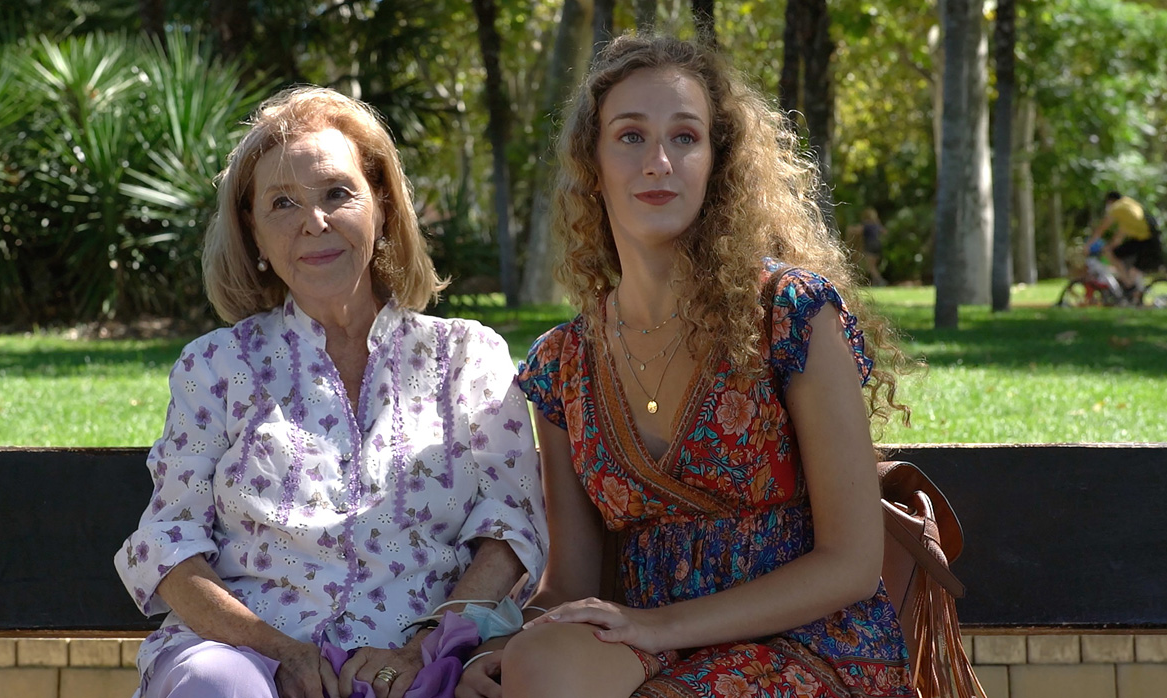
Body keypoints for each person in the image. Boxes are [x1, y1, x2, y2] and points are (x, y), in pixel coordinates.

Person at [457, 35, 914, 698]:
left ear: (715, 163)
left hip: (807, 639)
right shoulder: (563, 365)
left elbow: (851, 564)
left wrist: (661, 625)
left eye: (685, 137)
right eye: (631, 136)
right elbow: (571, 586)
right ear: (592, 164)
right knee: (543, 664)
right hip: (644, 642)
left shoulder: (788, 313)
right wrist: (496, 651)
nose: (659, 162)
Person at [114, 86, 547, 698]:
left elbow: (509, 528)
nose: (313, 222)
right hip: (248, 657)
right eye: (282, 203)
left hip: (425, 663)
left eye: (337, 193)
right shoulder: (214, 366)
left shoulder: (467, 357)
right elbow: (169, 546)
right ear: (254, 232)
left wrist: (421, 652)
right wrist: (281, 653)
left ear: (382, 208)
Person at [1085, 191, 1163, 300]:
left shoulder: (1117, 207)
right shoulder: (1129, 204)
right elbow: (1121, 233)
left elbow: (1102, 228)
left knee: (1117, 258)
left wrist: (1088, 245)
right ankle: (1131, 288)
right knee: (1116, 255)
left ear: (1110, 201)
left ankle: (1129, 284)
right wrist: (1110, 246)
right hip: (1146, 240)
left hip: (1146, 241)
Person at [846, 207, 887, 286]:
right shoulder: (876, 225)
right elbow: (884, 232)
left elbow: (858, 230)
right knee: (873, 266)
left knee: (871, 266)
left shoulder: (867, 224)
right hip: (877, 245)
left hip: (870, 245)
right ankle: (876, 282)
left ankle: (880, 281)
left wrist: (850, 229)